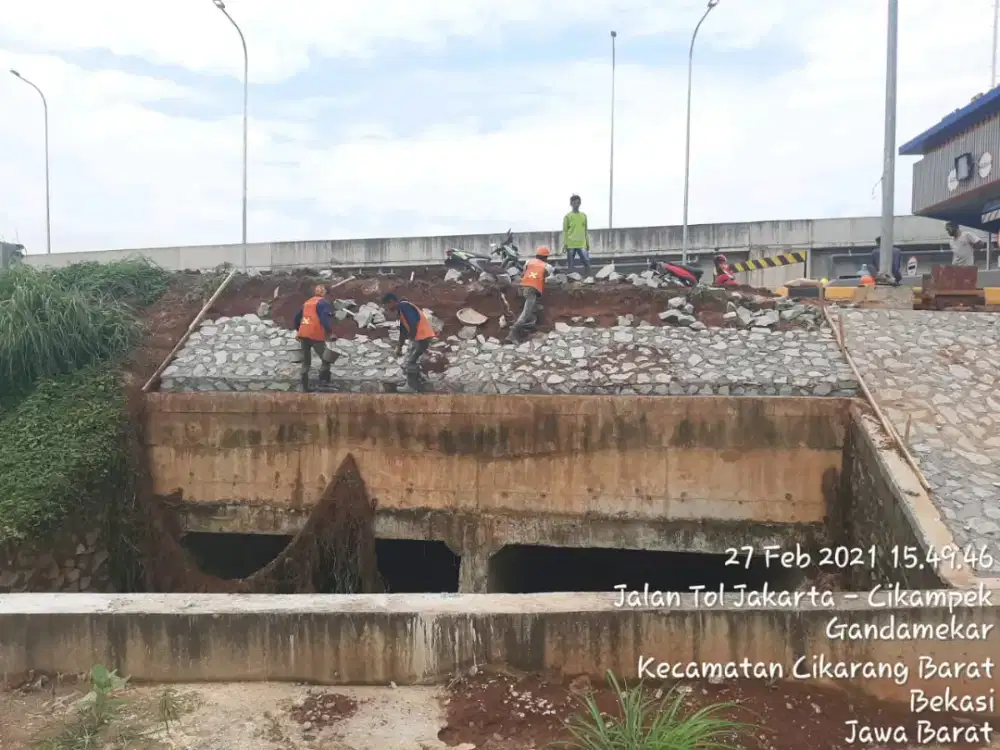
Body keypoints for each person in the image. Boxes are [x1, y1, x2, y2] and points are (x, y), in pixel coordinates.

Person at [382, 293, 437, 392]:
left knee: (410, 362)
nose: (387, 309)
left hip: (421, 337)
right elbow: (403, 332)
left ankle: (411, 387)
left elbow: (413, 322)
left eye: (386, 306)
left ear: (391, 302)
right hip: (420, 337)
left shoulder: (404, 306)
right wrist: (399, 347)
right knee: (411, 360)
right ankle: (419, 382)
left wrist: (413, 340)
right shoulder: (402, 311)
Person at [293, 284, 338, 392]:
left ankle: (305, 387)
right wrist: (330, 332)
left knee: (306, 362)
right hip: (315, 335)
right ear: (324, 293)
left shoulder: (307, 303)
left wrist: (299, 331)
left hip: (303, 335)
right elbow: (323, 319)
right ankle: (323, 384)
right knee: (326, 359)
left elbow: (296, 318)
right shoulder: (323, 303)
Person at [506, 247, 552, 343]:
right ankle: (512, 334)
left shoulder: (528, 262)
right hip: (532, 289)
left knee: (532, 307)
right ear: (546, 257)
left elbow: (524, 273)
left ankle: (530, 328)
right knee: (526, 313)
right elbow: (547, 277)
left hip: (522, 287)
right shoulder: (547, 266)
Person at [562, 194, 591, 273]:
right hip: (571, 244)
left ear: (580, 203)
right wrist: (565, 244)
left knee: (586, 262)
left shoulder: (583, 216)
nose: (576, 205)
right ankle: (571, 281)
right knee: (571, 264)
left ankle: (588, 278)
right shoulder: (567, 217)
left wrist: (587, 243)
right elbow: (565, 231)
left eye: (578, 203)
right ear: (571, 204)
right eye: (574, 203)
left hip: (582, 244)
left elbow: (585, 230)